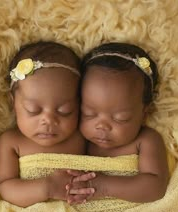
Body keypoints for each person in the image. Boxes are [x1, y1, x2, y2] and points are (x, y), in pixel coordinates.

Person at [0, 42, 95, 207]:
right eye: (33, 110)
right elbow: (5, 188)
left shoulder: (82, 135)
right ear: (13, 103)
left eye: (65, 111)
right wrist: (47, 187)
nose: (48, 120)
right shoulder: (11, 141)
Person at [67, 42, 169, 203]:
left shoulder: (146, 140)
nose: (102, 126)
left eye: (120, 118)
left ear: (144, 113)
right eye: (89, 113)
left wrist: (103, 186)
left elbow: (156, 187)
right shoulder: (75, 136)